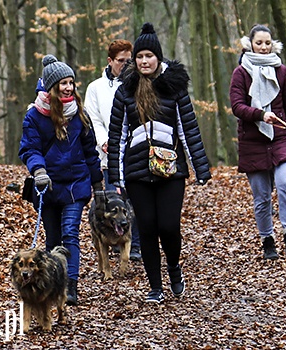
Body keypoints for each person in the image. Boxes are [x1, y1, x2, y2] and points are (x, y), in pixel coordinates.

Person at [107, 23, 211, 304]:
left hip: (170, 170)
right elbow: (117, 134)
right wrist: (115, 175)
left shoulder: (174, 88)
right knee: (148, 227)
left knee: (168, 226)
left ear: (158, 58)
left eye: (148, 56)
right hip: (137, 172)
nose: (143, 61)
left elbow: (188, 128)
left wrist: (201, 168)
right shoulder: (125, 91)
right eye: (139, 56)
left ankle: (174, 268)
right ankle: (155, 286)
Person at [19, 54, 104, 306]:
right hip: (47, 186)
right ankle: (54, 282)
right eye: (63, 84)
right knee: (53, 239)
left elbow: (90, 152)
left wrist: (97, 184)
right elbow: (29, 149)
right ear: (51, 87)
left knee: (70, 235)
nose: (68, 88)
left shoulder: (80, 114)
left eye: (71, 82)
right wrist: (39, 171)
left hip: (76, 184)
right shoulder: (34, 116)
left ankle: (70, 285)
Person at [229, 24, 286, 260]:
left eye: (267, 43)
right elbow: (237, 107)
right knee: (262, 196)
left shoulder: (281, 70)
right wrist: (259, 114)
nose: (264, 47)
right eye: (259, 43)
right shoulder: (241, 73)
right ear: (250, 44)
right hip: (252, 141)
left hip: (280, 137)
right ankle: (267, 241)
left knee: (285, 183)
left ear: (272, 44)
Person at [84, 39, 143, 262]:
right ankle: (113, 242)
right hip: (108, 155)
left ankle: (135, 244)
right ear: (110, 61)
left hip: (135, 153)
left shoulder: (139, 84)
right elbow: (93, 119)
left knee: (135, 201)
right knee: (113, 201)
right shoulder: (95, 88)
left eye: (130, 61)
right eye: (121, 61)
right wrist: (103, 141)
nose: (126, 65)